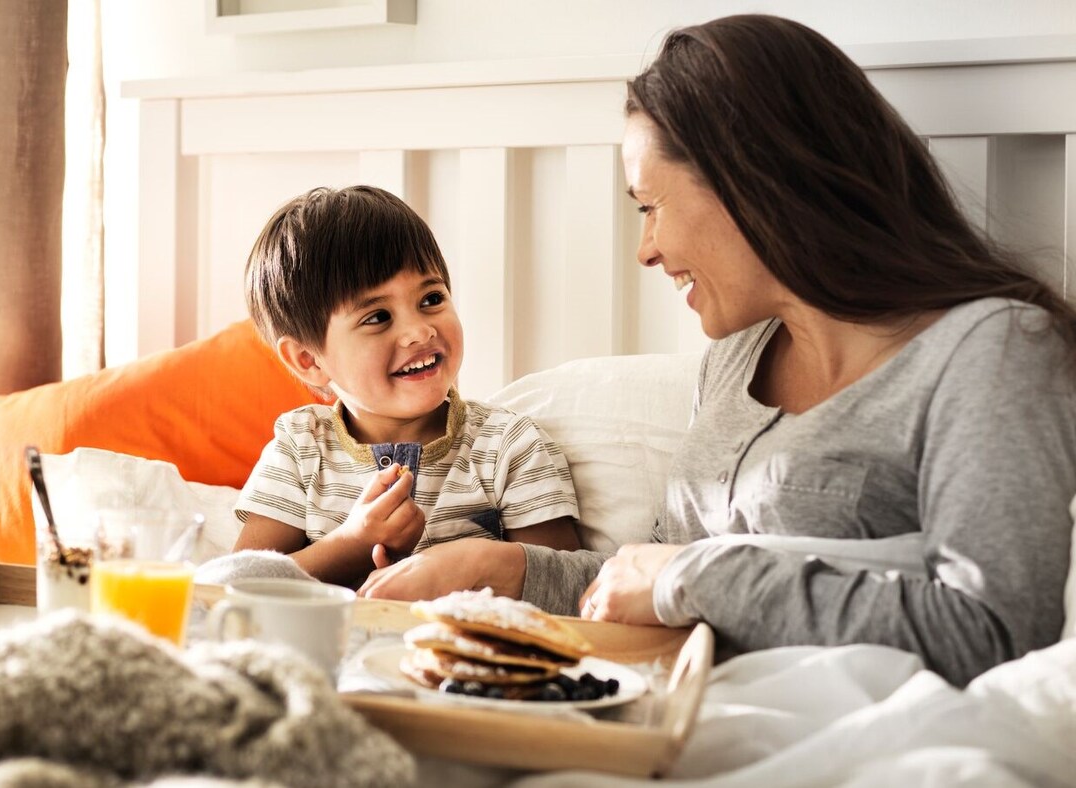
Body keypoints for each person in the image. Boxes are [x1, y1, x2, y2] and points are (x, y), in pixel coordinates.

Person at [356, 15, 1076, 686]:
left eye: (649, 206)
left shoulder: (992, 351)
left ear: (749, 180)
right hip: (677, 703)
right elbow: (646, 585)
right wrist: (503, 568)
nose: (646, 249)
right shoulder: (736, 360)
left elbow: (995, 632)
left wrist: (698, 580)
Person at [224, 185, 581, 589]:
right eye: (377, 316)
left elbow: (563, 590)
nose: (419, 331)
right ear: (309, 360)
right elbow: (237, 585)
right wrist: (353, 543)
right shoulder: (300, 446)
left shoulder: (509, 446)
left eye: (431, 299)